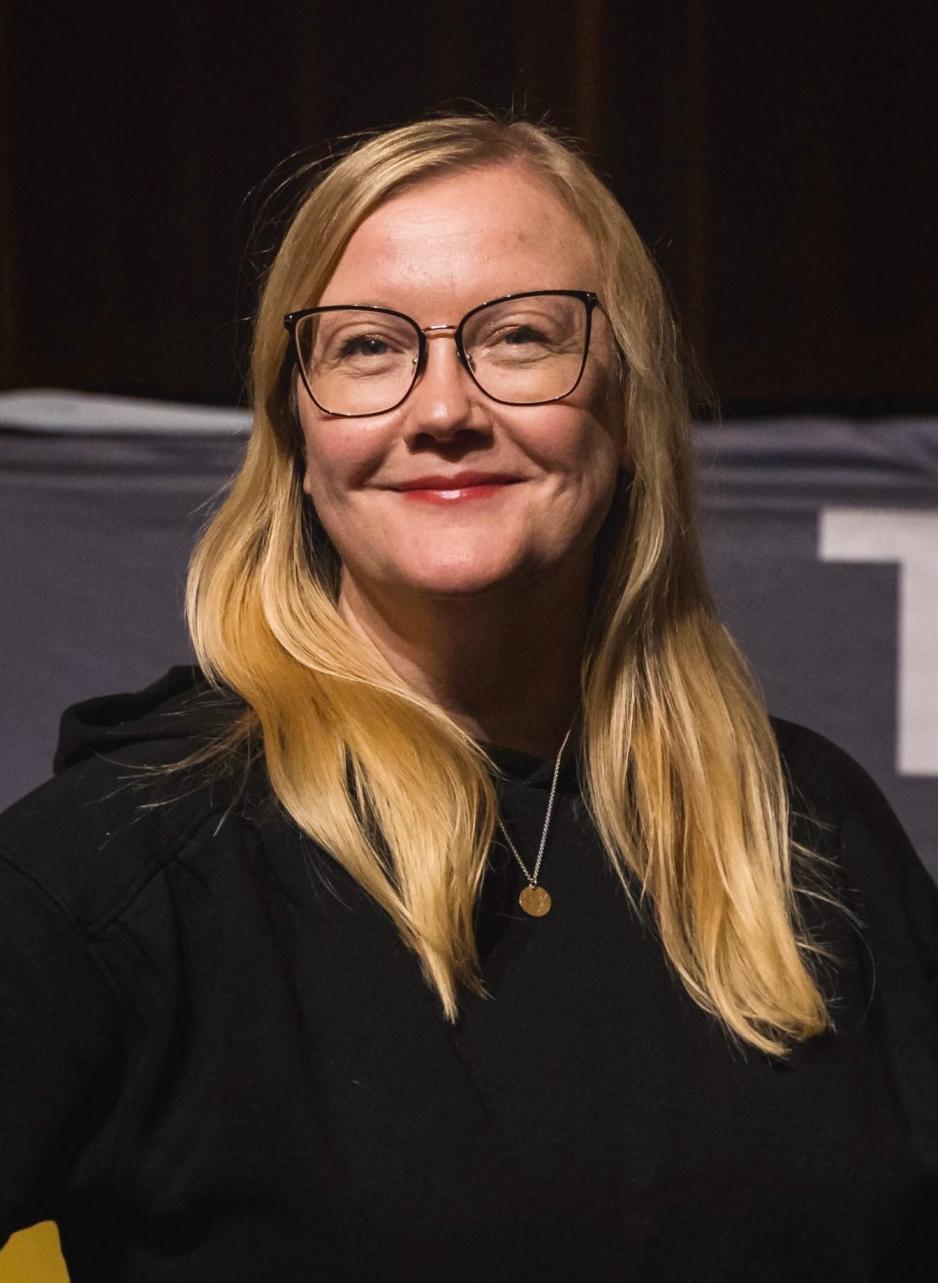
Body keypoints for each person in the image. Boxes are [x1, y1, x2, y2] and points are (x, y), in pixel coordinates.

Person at [2, 115, 937, 1281]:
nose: (442, 408)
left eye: (520, 336)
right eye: (366, 349)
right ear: (295, 430)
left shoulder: (809, 829)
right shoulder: (122, 865)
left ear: (629, 403)